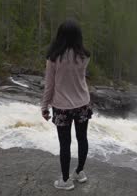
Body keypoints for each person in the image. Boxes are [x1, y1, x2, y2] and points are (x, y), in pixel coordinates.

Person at [41, 18, 93, 190]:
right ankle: (79, 172)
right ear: (78, 36)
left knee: (65, 144)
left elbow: (50, 85)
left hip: (62, 106)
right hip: (82, 104)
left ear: (60, 36)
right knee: (82, 138)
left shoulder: (53, 58)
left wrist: (44, 106)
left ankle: (65, 181)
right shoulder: (84, 56)